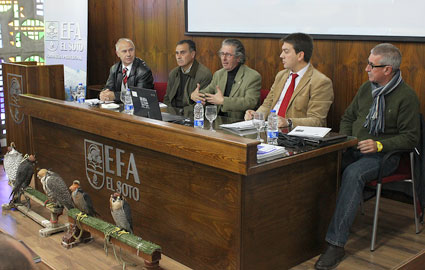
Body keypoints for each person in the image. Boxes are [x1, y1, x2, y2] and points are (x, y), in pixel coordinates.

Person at [314, 43, 420, 270]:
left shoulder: (406, 97)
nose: (366, 69)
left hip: (385, 156)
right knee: (319, 164)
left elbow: (411, 138)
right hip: (354, 146)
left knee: (353, 173)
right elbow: (348, 117)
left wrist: (379, 144)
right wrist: (348, 139)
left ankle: (335, 244)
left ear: (388, 70)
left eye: (372, 65)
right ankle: (310, 233)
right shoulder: (366, 88)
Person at [244, 33, 333, 128]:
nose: (281, 55)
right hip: (270, 130)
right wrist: (256, 115)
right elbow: (267, 104)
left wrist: (288, 122)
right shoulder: (281, 75)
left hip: (295, 138)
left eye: (286, 51)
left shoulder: (320, 82)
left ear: (300, 56)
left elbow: (317, 120)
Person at [191, 38, 261, 119]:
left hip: (238, 122)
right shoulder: (219, 74)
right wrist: (195, 95)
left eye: (228, 55)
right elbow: (208, 92)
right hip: (217, 121)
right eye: (222, 54)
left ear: (238, 57)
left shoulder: (253, 76)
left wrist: (224, 101)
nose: (223, 58)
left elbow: (250, 102)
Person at [163, 40, 212, 113]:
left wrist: (180, 113)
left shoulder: (204, 74)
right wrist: (169, 113)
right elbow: (167, 98)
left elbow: (202, 105)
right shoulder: (173, 73)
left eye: (182, 53)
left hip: (191, 117)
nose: (179, 57)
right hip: (173, 115)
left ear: (192, 54)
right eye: (177, 53)